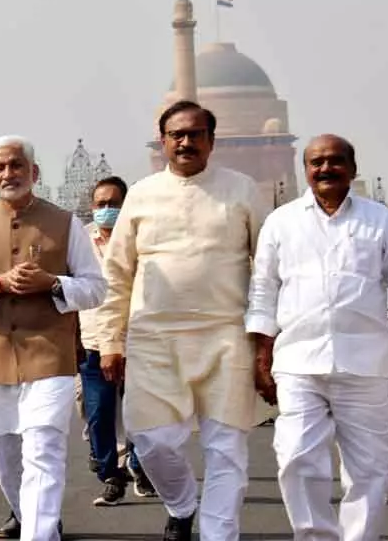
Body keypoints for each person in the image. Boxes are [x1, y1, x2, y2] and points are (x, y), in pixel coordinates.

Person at [93, 100, 268, 541]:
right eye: (177, 135)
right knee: (150, 441)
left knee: (226, 450)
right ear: (164, 141)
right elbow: (117, 273)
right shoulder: (142, 194)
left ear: (211, 140)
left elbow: (267, 269)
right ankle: (183, 503)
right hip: (154, 338)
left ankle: (217, 535)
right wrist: (111, 340)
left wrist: (267, 340)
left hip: (226, 336)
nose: (186, 142)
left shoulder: (242, 190)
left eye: (195, 134)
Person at [246, 134, 388, 540]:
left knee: (368, 467)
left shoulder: (381, 220)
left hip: (364, 362)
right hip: (297, 360)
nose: (325, 169)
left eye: (335, 161)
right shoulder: (282, 222)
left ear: (352, 167)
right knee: (295, 457)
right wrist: (261, 357)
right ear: (306, 169)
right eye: (316, 162)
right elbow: (263, 291)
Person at [0, 135, 106, 541]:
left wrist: (52, 283)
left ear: (34, 172)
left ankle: (39, 533)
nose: (9, 174)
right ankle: (31, 516)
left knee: (44, 452)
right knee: (6, 457)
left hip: (49, 356)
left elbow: (96, 289)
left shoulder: (65, 224)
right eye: (0, 168)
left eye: (16, 165)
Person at [77, 176, 156, 506]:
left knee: (140, 412)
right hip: (92, 340)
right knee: (98, 413)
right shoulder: (80, 239)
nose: (106, 209)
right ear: (92, 207)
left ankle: (139, 466)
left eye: (113, 204)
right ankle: (111, 475)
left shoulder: (140, 236)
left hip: (135, 338)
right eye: (101, 204)